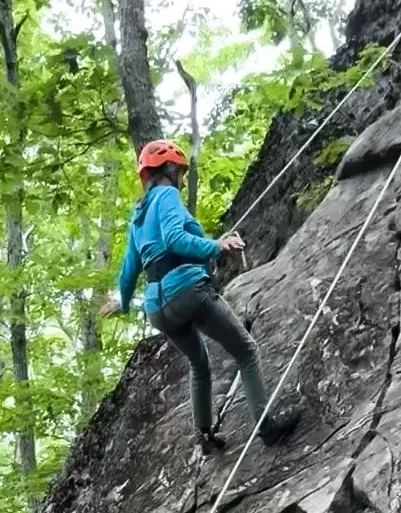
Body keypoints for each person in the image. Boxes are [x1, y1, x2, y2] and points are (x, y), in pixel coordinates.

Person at [104, 137, 299, 454]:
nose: (182, 179)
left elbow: (129, 268)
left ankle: (205, 437)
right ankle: (267, 428)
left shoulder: (138, 216)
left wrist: (122, 302)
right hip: (187, 291)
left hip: (158, 309)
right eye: (180, 171)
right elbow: (175, 239)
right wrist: (216, 246)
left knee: (199, 364)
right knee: (246, 351)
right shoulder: (167, 195)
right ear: (169, 169)